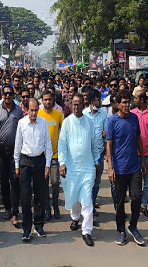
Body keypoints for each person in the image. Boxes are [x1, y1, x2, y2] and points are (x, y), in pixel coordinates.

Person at [59, 94, 101, 247]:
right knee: (74, 196)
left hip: (87, 167)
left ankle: (87, 231)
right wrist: (62, 162)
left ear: (84, 105)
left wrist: (96, 161)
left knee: (87, 199)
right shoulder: (67, 123)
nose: (76, 107)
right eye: (74, 104)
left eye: (79, 104)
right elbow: (62, 144)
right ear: (71, 105)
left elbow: (95, 143)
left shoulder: (90, 122)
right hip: (71, 167)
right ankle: (75, 217)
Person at [106, 89, 147, 246]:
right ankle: (121, 230)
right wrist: (110, 167)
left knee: (136, 197)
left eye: (128, 102)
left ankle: (133, 226)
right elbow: (109, 144)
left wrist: (143, 160)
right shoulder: (113, 121)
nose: (127, 105)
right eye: (124, 103)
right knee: (120, 200)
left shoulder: (134, 119)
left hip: (134, 166)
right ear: (117, 104)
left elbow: (138, 140)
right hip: (119, 168)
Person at [13, 98, 53, 241]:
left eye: (36, 110)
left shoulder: (43, 122)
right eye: (31, 110)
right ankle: (26, 228)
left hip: (40, 161)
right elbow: (17, 145)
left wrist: (47, 164)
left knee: (40, 196)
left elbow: (48, 144)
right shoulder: (22, 123)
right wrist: (17, 165)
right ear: (26, 110)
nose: (34, 113)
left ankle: (39, 226)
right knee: (25, 197)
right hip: (25, 161)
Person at [0, 85, 23, 226]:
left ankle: (15, 212)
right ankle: (8, 208)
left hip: (15, 152)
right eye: (5, 94)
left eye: (10, 93)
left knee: (15, 181)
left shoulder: (19, 111)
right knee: (4, 182)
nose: (8, 96)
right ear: (2, 96)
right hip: (1, 151)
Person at [131, 89, 148, 216]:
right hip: (134, 153)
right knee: (135, 182)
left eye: (135, 98)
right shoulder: (131, 114)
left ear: (141, 100)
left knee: (147, 182)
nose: (133, 100)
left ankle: (144, 205)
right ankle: (135, 204)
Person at [38, 90, 64, 221]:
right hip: (41, 156)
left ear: (53, 99)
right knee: (43, 184)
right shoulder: (38, 114)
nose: (47, 102)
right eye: (45, 100)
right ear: (42, 101)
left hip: (55, 155)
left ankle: (55, 205)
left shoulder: (58, 114)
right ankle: (47, 208)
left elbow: (63, 133)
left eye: (49, 99)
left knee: (55, 182)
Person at [83, 89, 108, 216]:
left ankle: (91, 204)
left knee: (96, 182)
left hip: (99, 154)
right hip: (87, 155)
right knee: (88, 182)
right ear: (93, 101)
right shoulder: (83, 114)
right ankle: (88, 208)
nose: (101, 101)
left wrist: (105, 134)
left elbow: (106, 132)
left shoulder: (103, 114)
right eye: (99, 99)